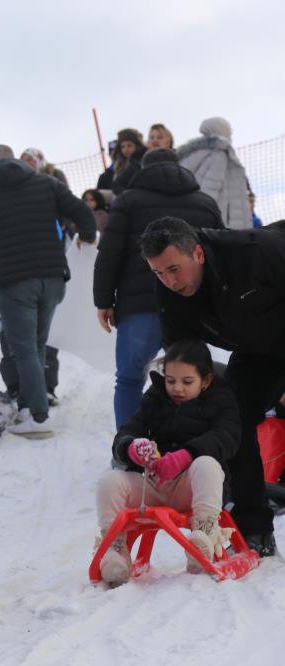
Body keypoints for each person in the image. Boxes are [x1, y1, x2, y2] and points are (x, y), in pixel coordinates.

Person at [139, 216, 285, 556]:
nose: (169, 281)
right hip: (259, 349)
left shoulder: (255, 252)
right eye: (159, 272)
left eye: (174, 269)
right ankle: (254, 528)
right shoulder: (170, 292)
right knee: (232, 415)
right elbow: (184, 359)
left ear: (199, 253)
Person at [0, 145, 96, 437]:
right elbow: (82, 212)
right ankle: (28, 406)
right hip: (53, 276)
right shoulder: (46, 183)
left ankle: (37, 417)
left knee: (23, 348)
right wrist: (87, 238)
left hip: (13, 280)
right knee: (36, 346)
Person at [92, 149, 224, 429]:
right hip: (189, 303)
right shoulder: (205, 202)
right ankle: (190, 445)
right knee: (189, 377)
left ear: (143, 168)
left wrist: (103, 300)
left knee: (129, 379)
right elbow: (219, 252)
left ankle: (128, 449)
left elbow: (109, 252)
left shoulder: (128, 200)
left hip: (140, 305)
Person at [95, 340, 239, 585]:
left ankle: (203, 536)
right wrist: (131, 447)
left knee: (207, 465)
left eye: (187, 382)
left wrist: (187, 454)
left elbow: (227, 437)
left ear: (205, 381)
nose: (177, 388)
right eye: (171, 381)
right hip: (155, 483)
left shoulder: (221, 399)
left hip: (192, 487)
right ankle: (115, 548)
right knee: (109, 481)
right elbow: (127, 431)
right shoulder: (156, 397)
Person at [177, 117, 251, 230]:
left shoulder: (193, 155)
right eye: (229, 131)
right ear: (222, 130)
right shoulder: (219, 154)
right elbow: (211, 190)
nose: (230, 135)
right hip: (218, 225)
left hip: (191, 218)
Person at [98, 128, 145, 195]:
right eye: (123, 147)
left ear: (136, 146)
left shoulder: (142, 162)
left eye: (129, 145)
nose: (126, 149)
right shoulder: (114, 170)